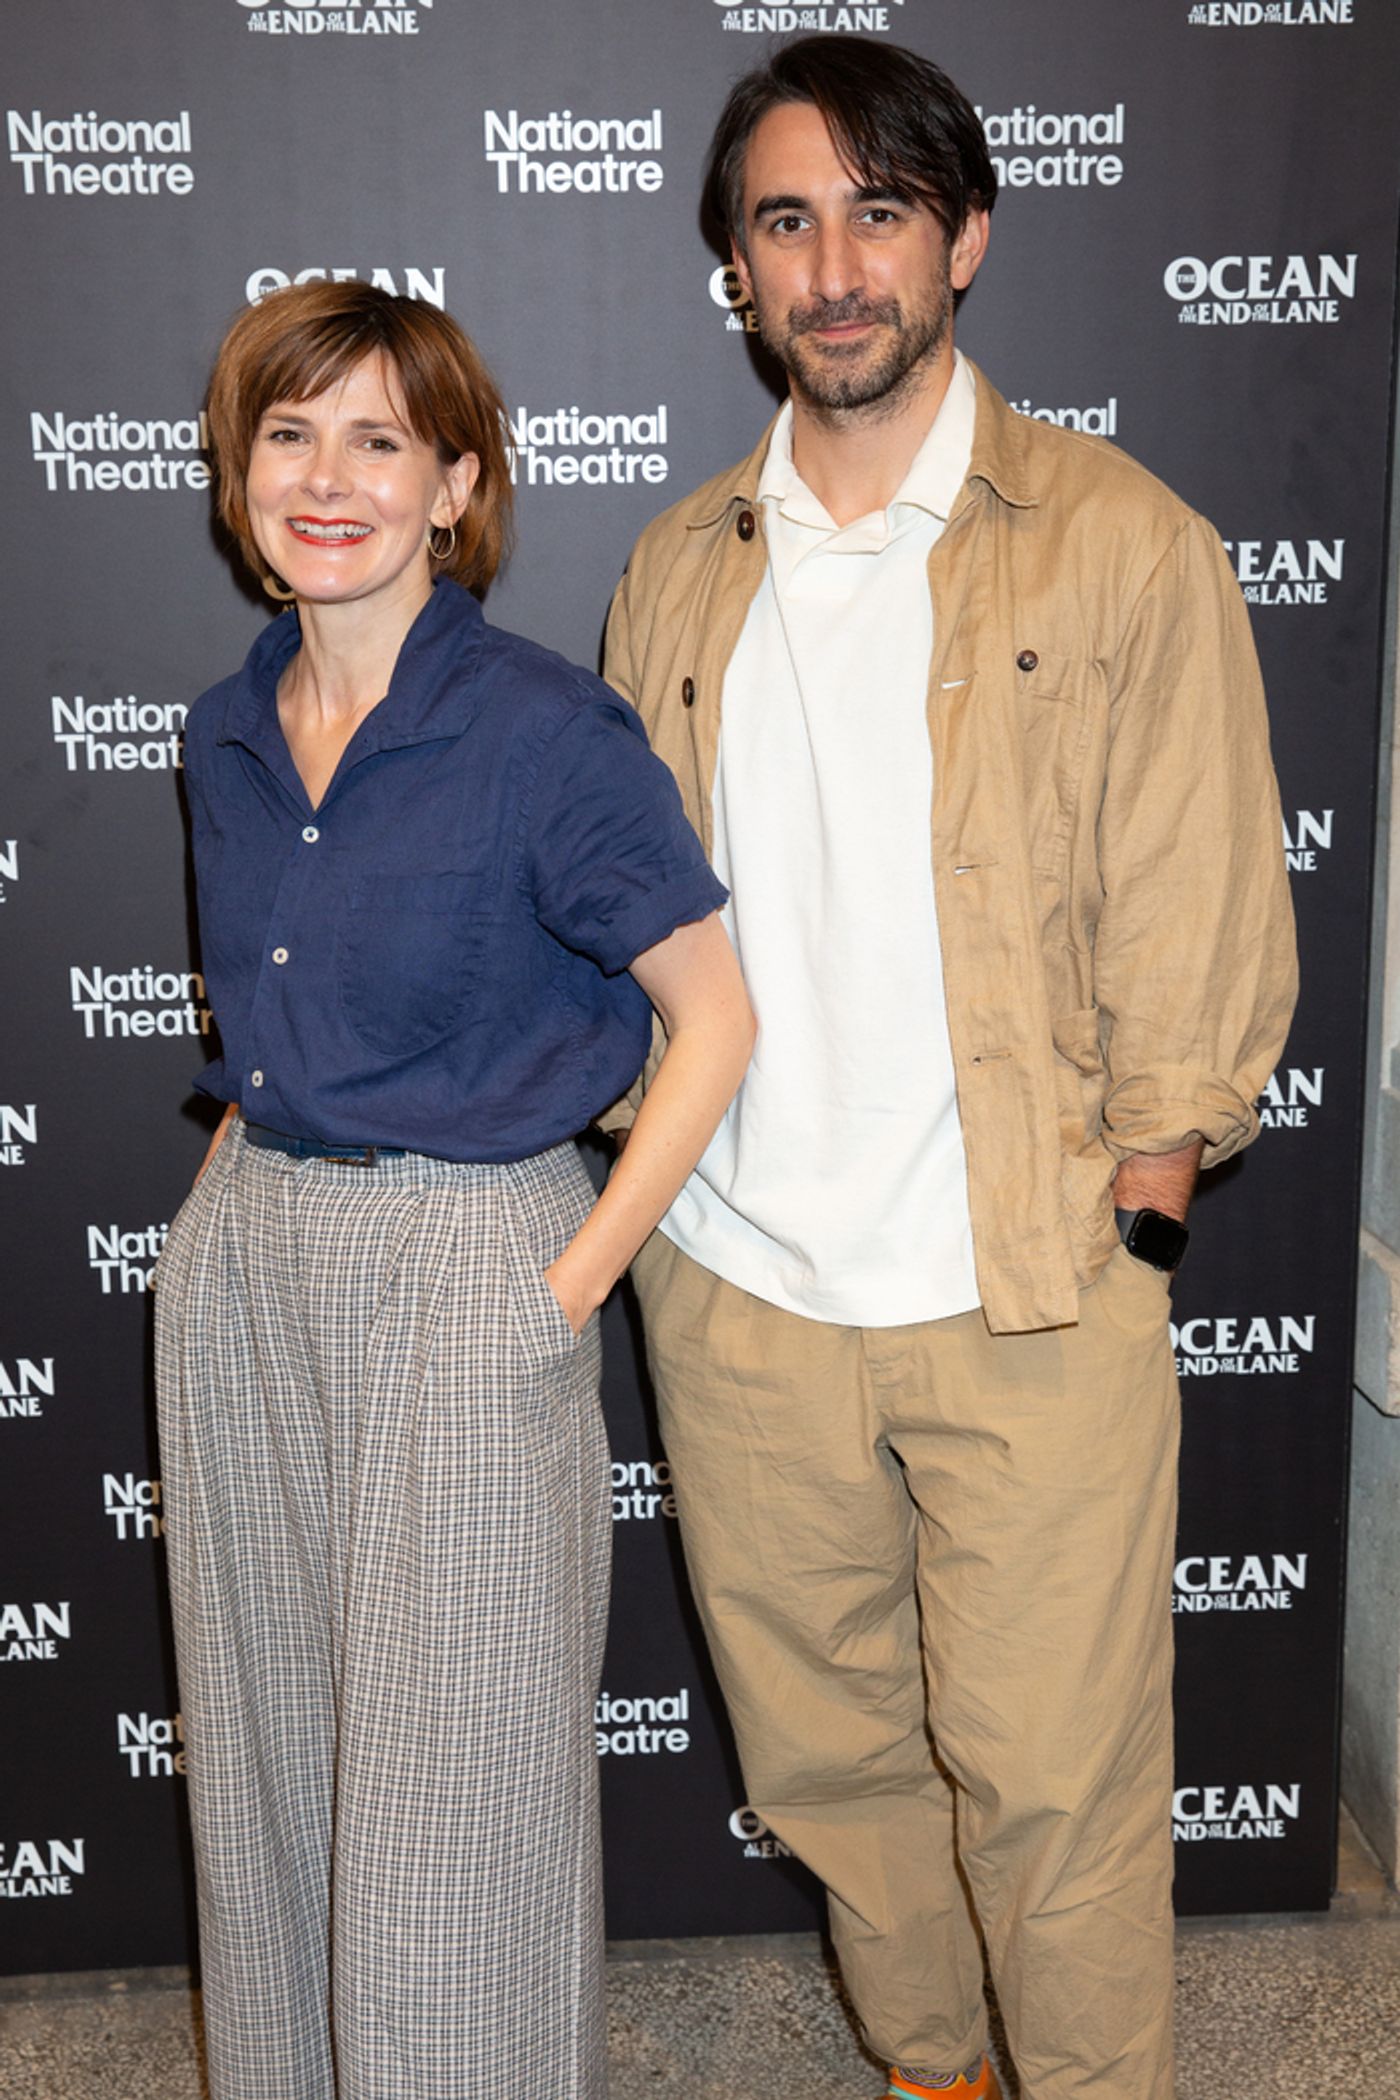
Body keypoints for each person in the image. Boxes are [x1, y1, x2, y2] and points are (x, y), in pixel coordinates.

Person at [604, 36, 1296, 2100]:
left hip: (1029, 1282)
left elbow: (1199, 878)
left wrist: (1148, 1186)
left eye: (877, 214)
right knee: (825, 1763)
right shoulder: (675, 570)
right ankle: (931, 2069)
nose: (833, 268)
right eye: (784, 221)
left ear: (965, 239)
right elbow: (628, 918)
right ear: (736, 265)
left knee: (1058, 1799)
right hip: (739, 1295)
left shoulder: (1113, 537)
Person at [154, 280, 753, 2100]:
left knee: (458, 1802)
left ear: (455, 483)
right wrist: (224, 1226)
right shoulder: (225, 727)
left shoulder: (543, 735)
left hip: (469, 1252)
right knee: (264, 1762)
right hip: (253, 1248)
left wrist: (555, 1293)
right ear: (242, 475)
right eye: (289, 434)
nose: (327, 478)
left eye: (378, 441)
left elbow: (713, 1025)